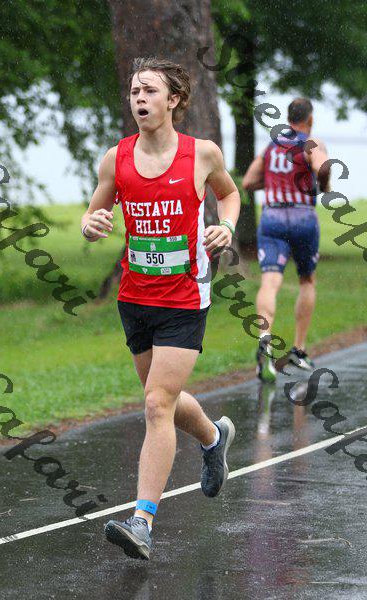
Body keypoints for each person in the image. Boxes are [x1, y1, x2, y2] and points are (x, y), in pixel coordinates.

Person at [80, 57, 240, 560]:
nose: (139, 99)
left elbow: (229, 195)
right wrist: (90, 224)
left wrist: (226, 226)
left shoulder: (202, 153)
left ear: (173, 100)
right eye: (134, 91)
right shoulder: (116, 158)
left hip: (184, 299)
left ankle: (142, 522)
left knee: (155, 404)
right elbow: (95, 210)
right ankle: (213, 437)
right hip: (135, 298)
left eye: (149, 90)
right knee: (161, 400)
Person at [242, 98, 330, 382]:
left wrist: (272, 182)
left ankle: (265, 339)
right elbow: (323, 167)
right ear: (310, 119)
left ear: (288, 118)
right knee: (307, 280)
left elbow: (248, 182)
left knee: (270, 281)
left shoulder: (272, 146)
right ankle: (298, 350)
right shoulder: (311, 143)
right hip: (303, 217)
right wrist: (324, 185)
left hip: (273, 217)